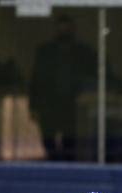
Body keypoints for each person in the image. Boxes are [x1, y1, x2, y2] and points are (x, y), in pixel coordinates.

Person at [29, 15, 96, 161]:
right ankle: (53, 166)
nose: (64, 33)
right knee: (48, 142)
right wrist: (33, 106)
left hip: (71, 105)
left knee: (69, 142)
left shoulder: (82, 53)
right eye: (61, 29)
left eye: (67, 29)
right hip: (49, 104)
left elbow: (94, 75)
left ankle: (67, 169)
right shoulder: (45, 52)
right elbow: (35, 80)